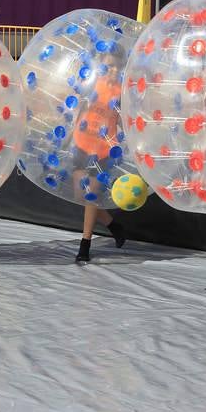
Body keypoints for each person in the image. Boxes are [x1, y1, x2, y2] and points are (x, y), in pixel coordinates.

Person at [72, 55, 126, 262]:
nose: (113, 69)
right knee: (80, 195)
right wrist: (69, 138)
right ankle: (114, 226)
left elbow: (123, 120)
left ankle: (85, 244)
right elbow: (80, 109)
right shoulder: (92, 82)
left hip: (103, 148)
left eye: (117, 66)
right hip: (82, 142)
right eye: (109, 65)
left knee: (90, 195)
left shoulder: (122, 91)